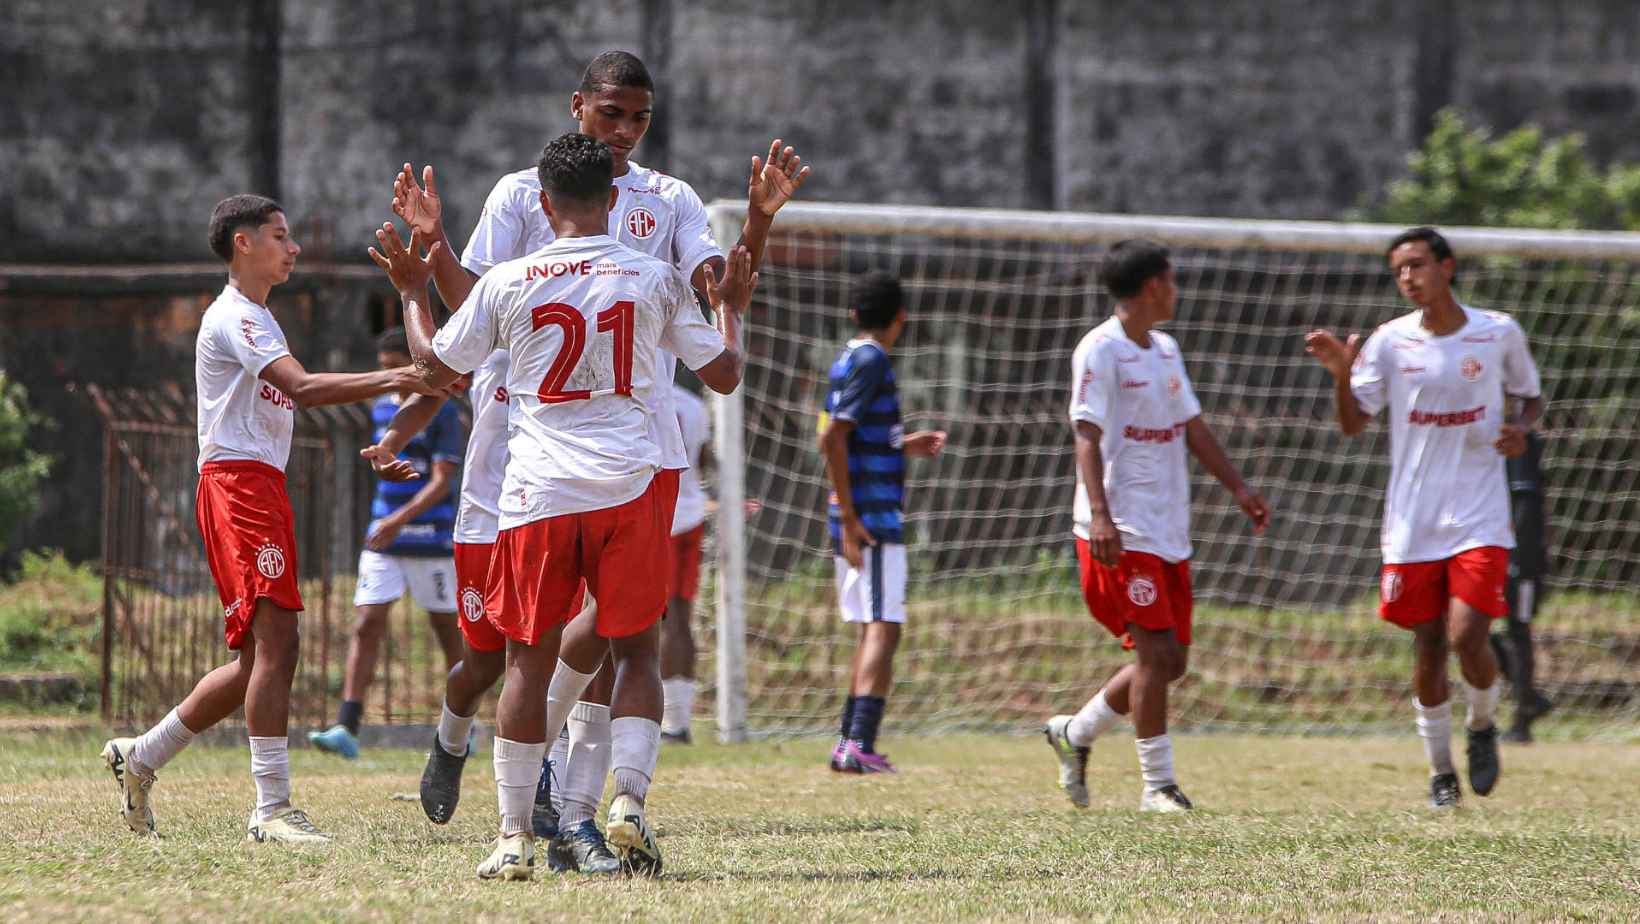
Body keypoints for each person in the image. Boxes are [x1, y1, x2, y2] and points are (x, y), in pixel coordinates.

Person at [387, 48, 806, 873]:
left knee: (579, 645)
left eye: (640, 117)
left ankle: (563, 818)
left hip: (601, 459)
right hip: (516, 444)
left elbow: (714, 280)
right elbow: (722, 332)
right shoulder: (522, 198)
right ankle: (459, 739)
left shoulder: (670, 203)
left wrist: (754, 226)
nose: (626, 129)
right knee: (493, 654)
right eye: (612, 113)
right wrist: (436, 250)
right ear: (579, 107)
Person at [101, 195, 440, 843]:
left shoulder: (257, 316)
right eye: (280, 236)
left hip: (257, 486)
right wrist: (403, 376)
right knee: (278, 645)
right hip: (240, 488)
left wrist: (406, 387)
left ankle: (142, 754)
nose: (295, 248)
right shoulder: (237, 318)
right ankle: (272, 809)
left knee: (258, 659)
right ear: (242, 245)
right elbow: (303, 388)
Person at [1305, 226, 1544, 808]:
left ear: (1447, 266)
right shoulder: (1390, 342)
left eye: (1416, 265)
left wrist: (1521, 431)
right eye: (1398, 270)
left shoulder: (1497, 332)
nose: (1407, 278)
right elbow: (1353, 423)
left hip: (1480, 514)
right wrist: (1342, 375)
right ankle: (1441, 773)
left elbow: (1530, 397)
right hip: (1412, 521)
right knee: (1430, 645)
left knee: (1468, 634)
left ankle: (1482, 724)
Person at [1043, 239, 1270, 812]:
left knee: (1171, 662)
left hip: (1168, 526)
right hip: (1122, 528)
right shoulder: (1099, 349)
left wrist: (1239, 488)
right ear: (1151, 287)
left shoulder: (1166, 349)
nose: (1176, 289)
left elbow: (1191, 425)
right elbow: (1086, 435)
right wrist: (1100, 515)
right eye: (1171, 280)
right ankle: (1158, 787)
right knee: (1151, 653)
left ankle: (1076, 733)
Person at [309, 327, 465, 759]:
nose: (389, 378)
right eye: (382, 370)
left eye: (394, 369)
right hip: (383, 537)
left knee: (448, 633)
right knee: (366, 623)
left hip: (429, 537)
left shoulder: (442, 409)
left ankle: (461, 723)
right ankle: (348, 724)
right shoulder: (381, 410)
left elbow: (441, 482)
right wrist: (388, 518)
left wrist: (400, 519)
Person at [819, 271, 947, 774]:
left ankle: (848, 742)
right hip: (868, 516)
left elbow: (842, 435)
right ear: (900, 318)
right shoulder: (873, 360)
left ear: (853, 313)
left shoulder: (848, 357)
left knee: (873, 626)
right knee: (885, 626)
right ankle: (857, 744)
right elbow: (832, 438)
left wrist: (901, 443)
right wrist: (851, 518)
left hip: (858, 511)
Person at [1494, 429, 1554, 742]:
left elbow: (1527, 507)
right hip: (1496, 547)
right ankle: (1528, 697)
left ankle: (1523, 717)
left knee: (1518, 627)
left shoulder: (1518, 439)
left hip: (1521, 554)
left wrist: (1519, 555)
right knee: (1464, 625)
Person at [661, 379, 711, 744]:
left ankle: (648, 717)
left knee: (639, 621)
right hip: (689, 514)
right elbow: (703, 461)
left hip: (652, 515)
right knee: (680, 617)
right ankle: (677, 721)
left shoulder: (639, 395)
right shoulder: (694, 405)